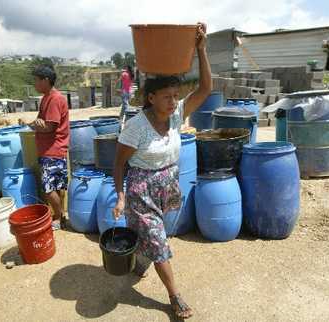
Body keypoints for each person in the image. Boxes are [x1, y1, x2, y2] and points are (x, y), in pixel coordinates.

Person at [113, 23, 212, 319]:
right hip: (141, 191)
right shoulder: (136, 128)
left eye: (176, 95)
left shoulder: (177, 114)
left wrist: (200, 49)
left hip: (167, 182)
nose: (173, 101)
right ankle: (175, 297)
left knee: (152, 234)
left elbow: (206, 88)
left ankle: (140, 259)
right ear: (151, 98)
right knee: (158, 241)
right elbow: (119, 164)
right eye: (167, 96)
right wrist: (120, 196)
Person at [28, 65, 69, 230]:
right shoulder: (46, 98)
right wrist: (33, 124)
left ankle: (58, 217)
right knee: (56, 187)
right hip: (50, 150)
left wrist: (38, 125)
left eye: (37, 80)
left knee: (48, 188)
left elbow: (50, 126)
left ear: (45, 80)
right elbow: (40, 122)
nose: (35, 84)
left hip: (53, 150)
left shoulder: (55, 99)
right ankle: (60, 217)